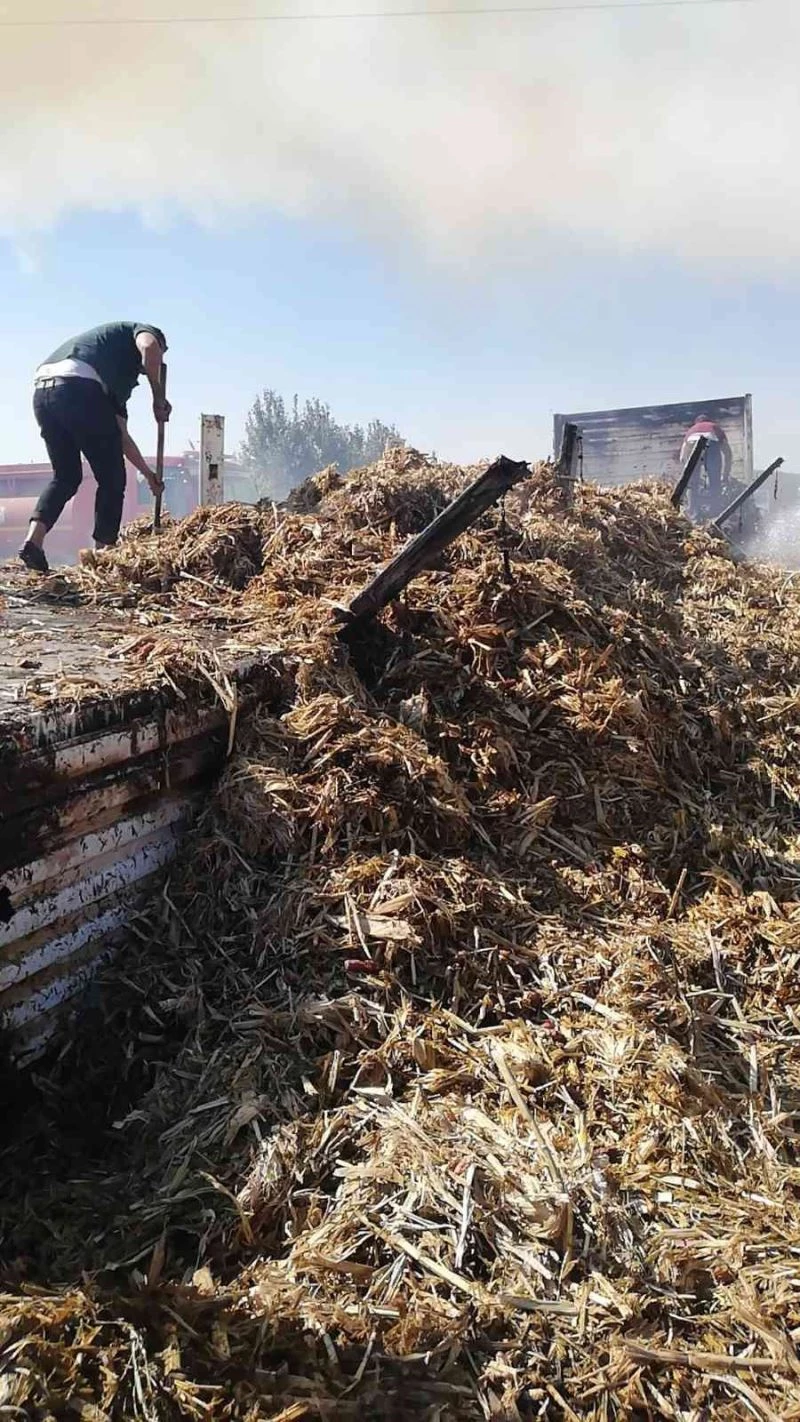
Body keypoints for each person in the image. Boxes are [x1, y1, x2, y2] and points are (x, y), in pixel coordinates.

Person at [19, 322, 172, 573]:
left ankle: (33, 542)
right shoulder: (140, 331)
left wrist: (148, 474)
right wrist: (158, 396)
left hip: (44, 393)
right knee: (112, 480)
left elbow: (120, 436)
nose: (145, 373)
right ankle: (103, 557)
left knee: (66, 477)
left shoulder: (113, 373)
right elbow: (149, 346)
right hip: (79, 389)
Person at [679, 413, 732, 515]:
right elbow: (728, 454)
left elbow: (682, 458)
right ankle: (714, 511)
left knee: (693, 484)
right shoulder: (714, 427)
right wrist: (724, 476)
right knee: (714, 482)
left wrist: (689, 475)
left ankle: (693, 512)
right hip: (711, 444)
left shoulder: (691, 430)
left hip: (692, 443)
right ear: (709, 420)